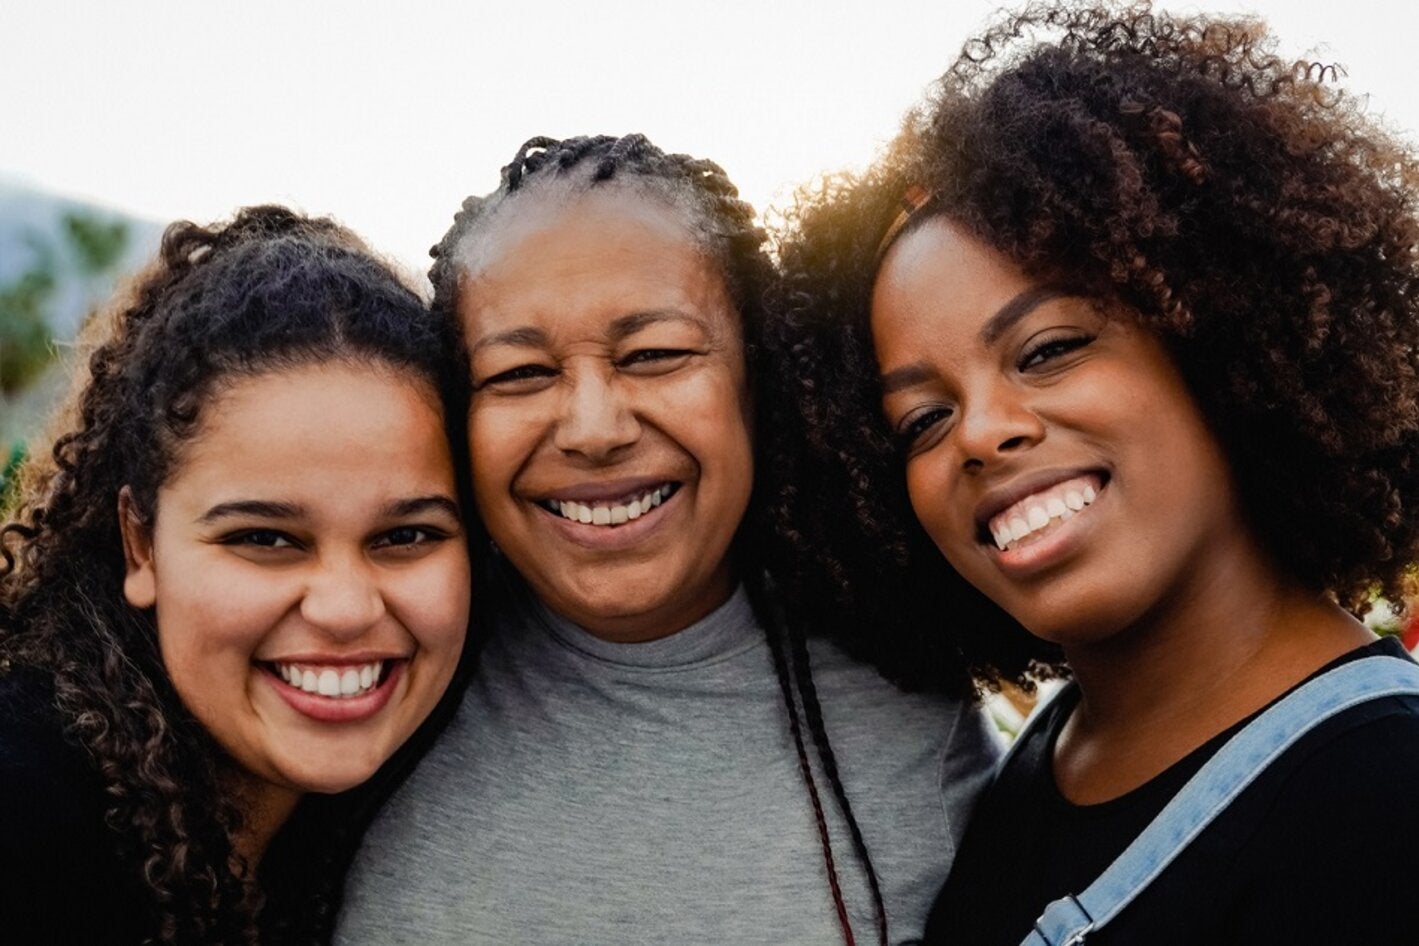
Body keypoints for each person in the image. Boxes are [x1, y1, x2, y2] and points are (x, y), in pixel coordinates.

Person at [769, 3, 1419, 944]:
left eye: (1047, 350)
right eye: (921, 420)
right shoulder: (1043, 758)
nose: (980, 433)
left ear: (1218, 341)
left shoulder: (1385, 804)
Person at [336, 134, 999, 945]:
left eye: (655, 355)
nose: (593, 429)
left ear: (758, 379)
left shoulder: (915, 719)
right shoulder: (367, 687)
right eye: (520, 374)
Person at [0, 206, 473, 945]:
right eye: (265, 538)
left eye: (406, 536)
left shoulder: (372, 826)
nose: (345, 608)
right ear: (141, 546)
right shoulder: (25, 814)